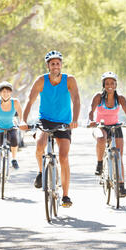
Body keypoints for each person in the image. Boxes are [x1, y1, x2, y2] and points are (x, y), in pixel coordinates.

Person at [20, 50, 81, 208]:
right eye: (52, 63)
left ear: (61, 65)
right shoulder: (41, 80)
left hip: (64, 122)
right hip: (45, 120)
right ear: (48, 65)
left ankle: (66, 196)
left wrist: (74, 120)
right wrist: (22, 120)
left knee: (64, 157)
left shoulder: (70, 80)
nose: (55, 66)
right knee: (40, 144)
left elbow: (76, 99)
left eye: (58, 63)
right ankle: (41, 172)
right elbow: (30, 100)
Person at [88, 71, 126, 197]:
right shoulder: (98, 96)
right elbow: (91, 110)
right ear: (103, 85)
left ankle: (121, 186)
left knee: (119, 156)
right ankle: (99, 163)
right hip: (101, 126)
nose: (110, 85)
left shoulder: (120, 98)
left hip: (115, 126)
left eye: (112, 83)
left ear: (116, 85)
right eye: (107, 83)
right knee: (101, 138)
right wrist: (92, 120)